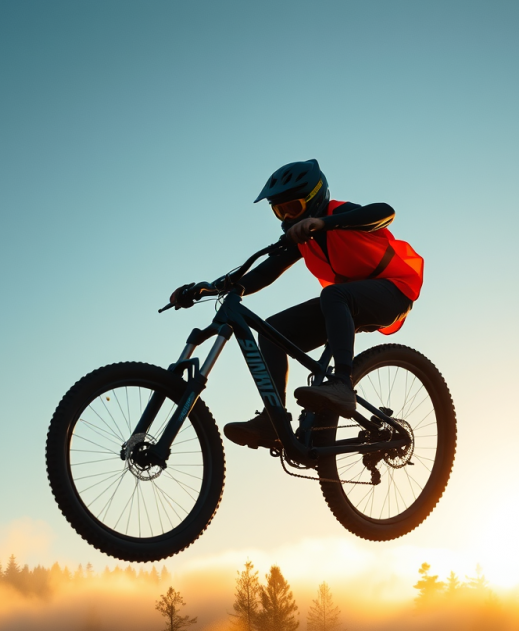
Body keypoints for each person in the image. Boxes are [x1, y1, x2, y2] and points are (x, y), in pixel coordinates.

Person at [172, 159, 424, 449]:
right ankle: (273, 420)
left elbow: (384, 212)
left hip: (395, 290)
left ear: (315, 199)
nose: (289, 217)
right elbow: (262, 274)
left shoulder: (338, 213)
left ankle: (343, 384)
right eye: (281, 211)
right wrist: (207, 288)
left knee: (332, 295)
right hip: (346, 301)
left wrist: (324, 222)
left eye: (295, 207)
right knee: (272, 331)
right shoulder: (302, 240)